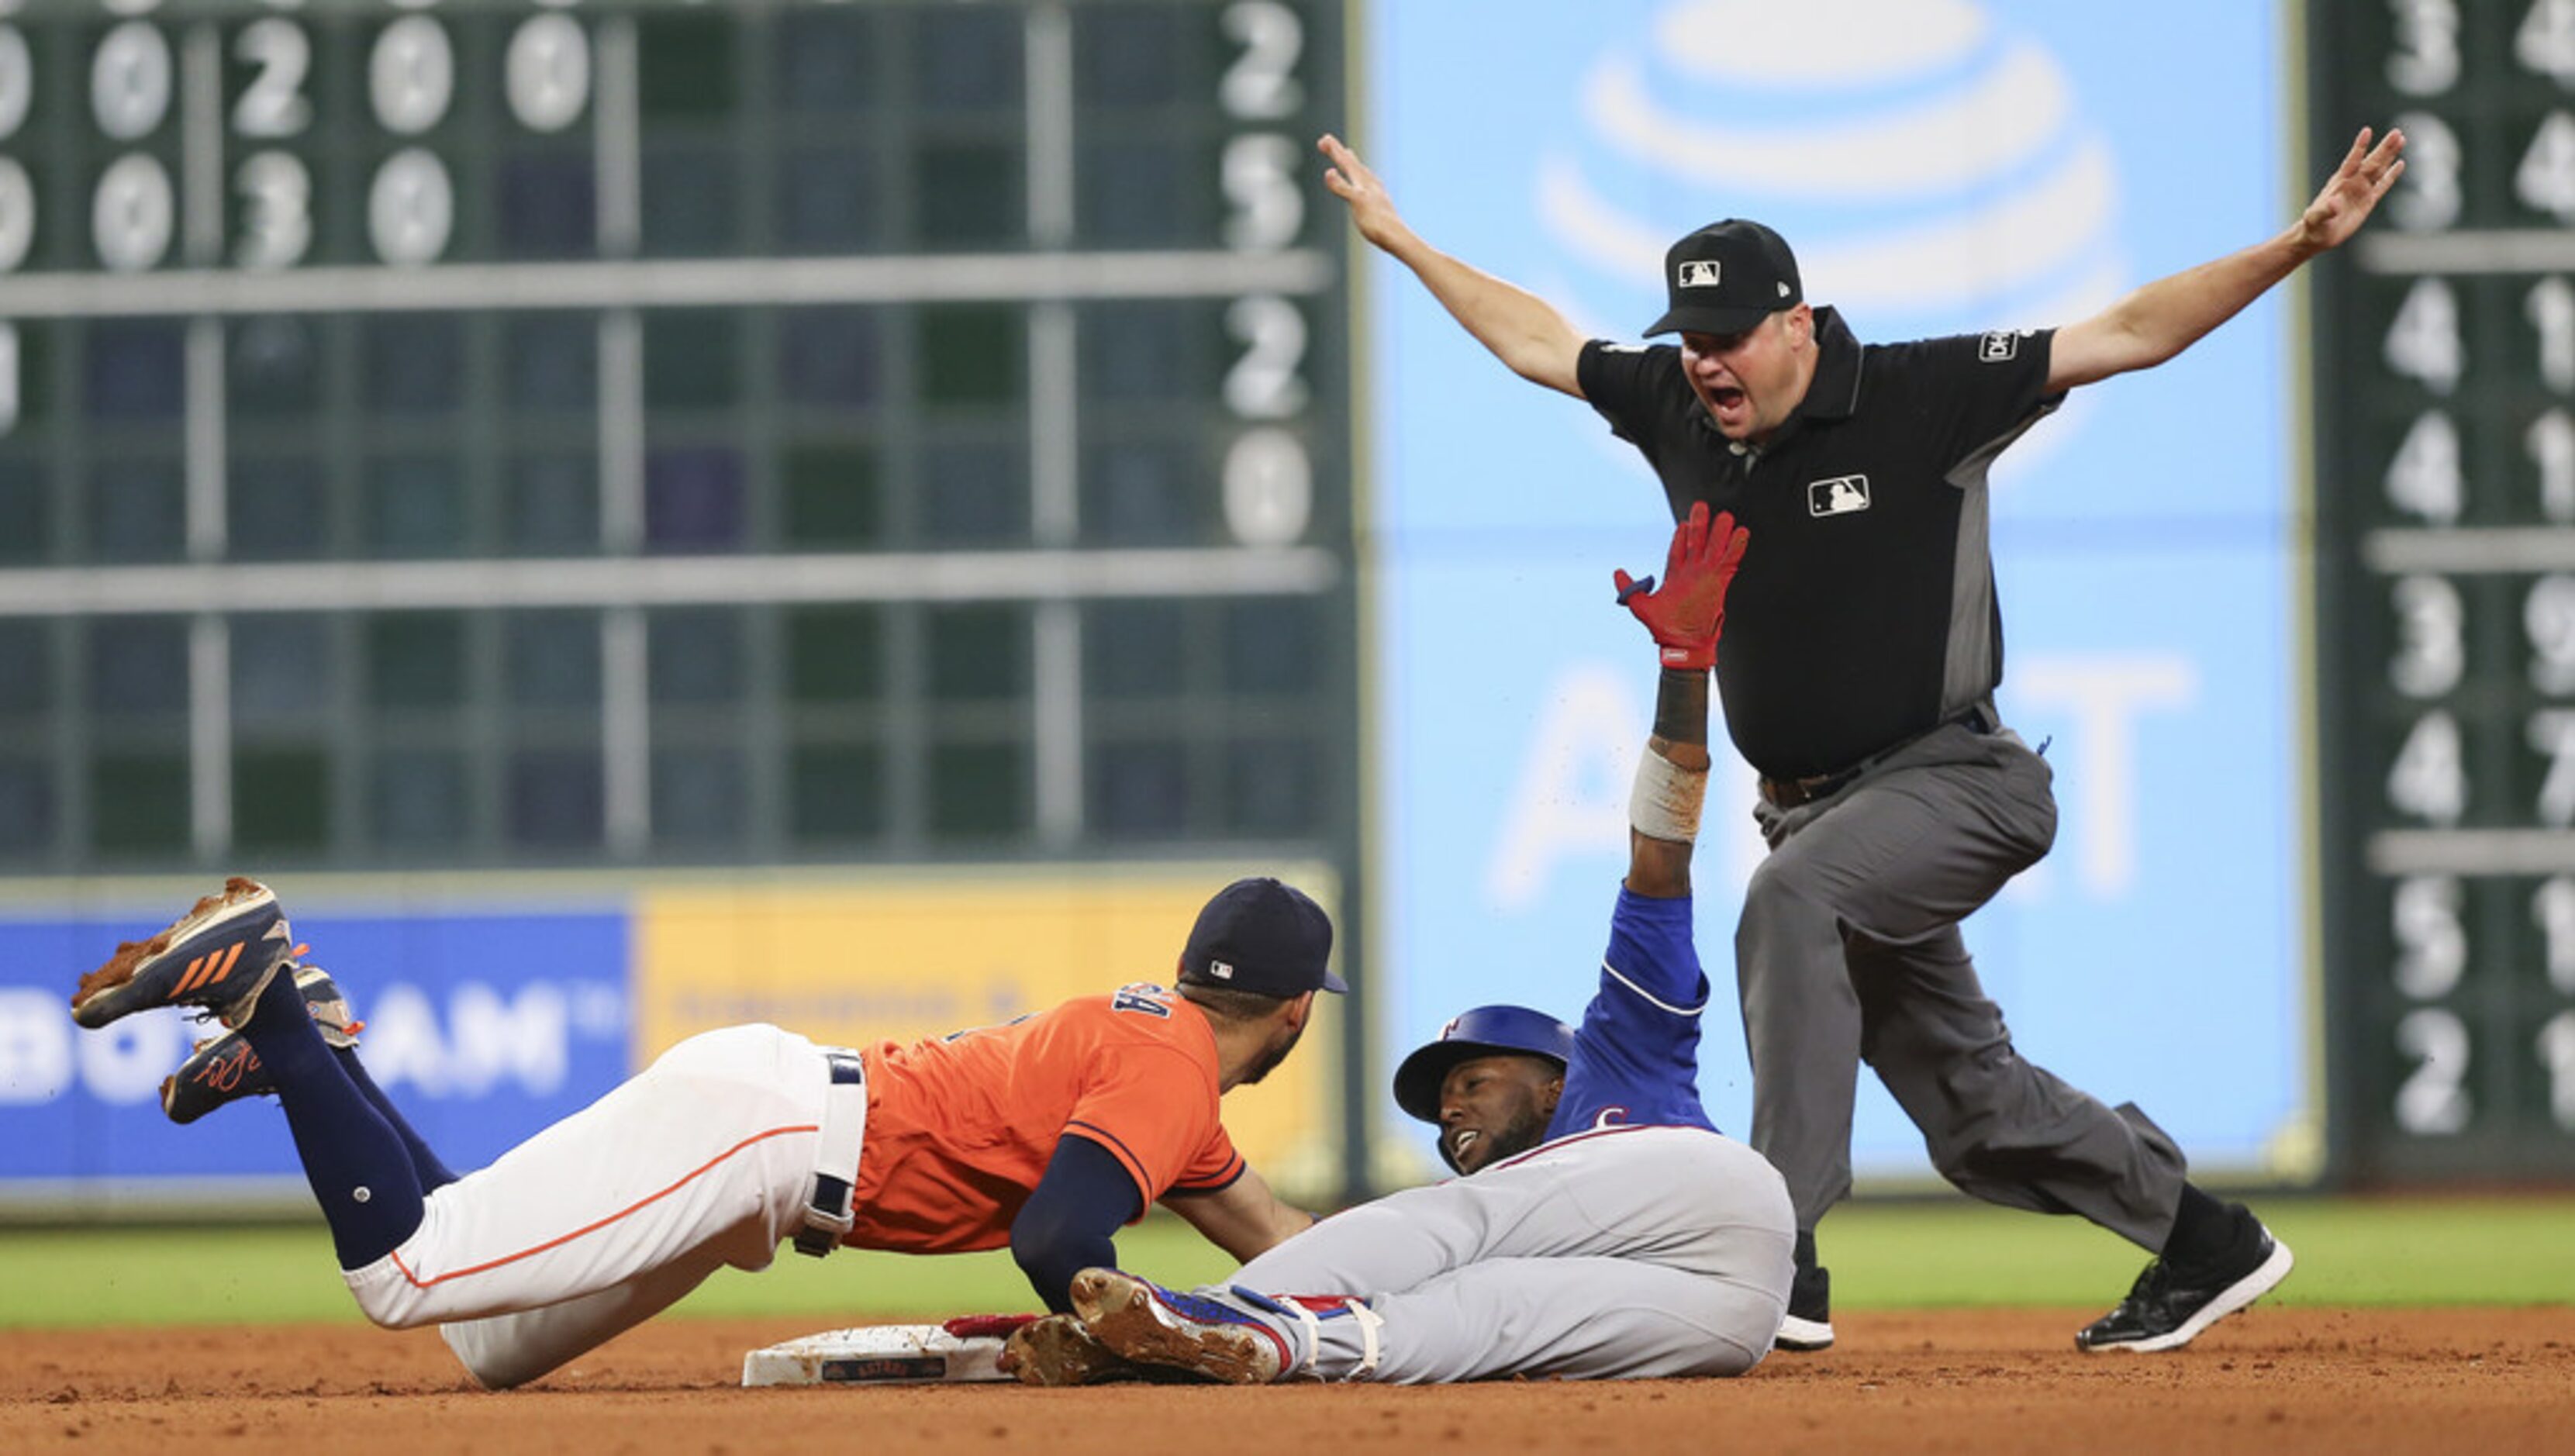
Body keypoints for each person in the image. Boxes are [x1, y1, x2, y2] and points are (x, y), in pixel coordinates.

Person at [1313, 123, 2409, 1353]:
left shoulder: (1917, 393)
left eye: (1726, 336)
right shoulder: (1677, 409)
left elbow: (2132, 331)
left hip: (1959, 778)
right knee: (1971, 1107)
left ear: (1799, 323)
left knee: (1785, 904)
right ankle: (2205, 1239)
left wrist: (2297, 245)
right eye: (1688, 337)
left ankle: (1772, 1241)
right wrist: (1405, 241)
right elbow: (1533, 338)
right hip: (1819, 815)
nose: (1704, 361)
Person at [1003, 503, 1798, 1385]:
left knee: (1452, 1223)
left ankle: (1198, 1313)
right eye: (1445, 1099)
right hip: (1731, 1310)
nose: (1452, 1109)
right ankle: (1242, 1343)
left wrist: (1684, 671)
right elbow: (1485, 1304)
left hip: (1711, 1194)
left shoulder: (1626, 1054)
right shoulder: (1533, 1216)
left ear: (1556, 1080)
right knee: (1477, 1319)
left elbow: (1660, 861)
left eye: (1474, 1082)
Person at [67, 873, 1338, 1389]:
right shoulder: (1170, 1067)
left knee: (488, 1338)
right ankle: (272, 1000)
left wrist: (1369, 1303)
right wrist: (1134, 1327)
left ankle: (319, 1053)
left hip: (771, 1166)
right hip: (772, 1133)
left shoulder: (1156, 1057)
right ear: (1293, 1012)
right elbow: (1059, 1230)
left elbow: (1271, 1232)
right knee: (410, 1274)